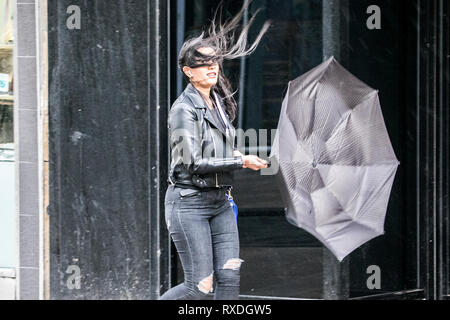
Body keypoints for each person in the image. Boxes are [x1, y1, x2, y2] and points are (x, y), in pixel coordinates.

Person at [159, 0, 271, 300]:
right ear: (188, 71)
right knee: (200, 287)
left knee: (230, 278)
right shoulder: (183, 109)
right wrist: (239, 160)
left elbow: (219, 149)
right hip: (189, 204)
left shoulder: (219, 102)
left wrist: (242, 158)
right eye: (203, 64)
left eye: (214, 62)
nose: (211, 67)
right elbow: (193, 162)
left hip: (220, 202)